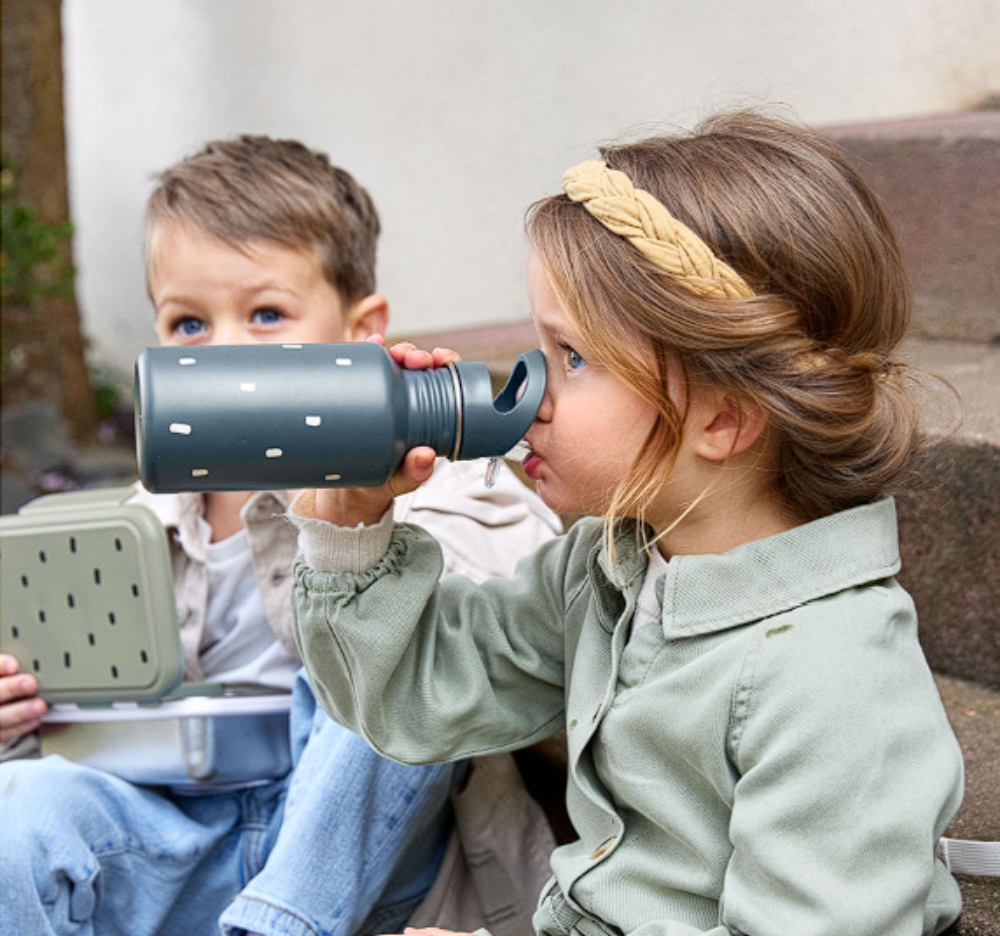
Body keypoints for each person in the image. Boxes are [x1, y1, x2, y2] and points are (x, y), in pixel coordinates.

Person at [286, 111, 965, 936]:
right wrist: (352, 525)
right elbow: (422, 696)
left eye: (572, 356)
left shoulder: (832, 681)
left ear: (721, 417)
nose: (530, 388)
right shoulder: (616, 568)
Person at [0, 136, 562, 936]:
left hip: (370, 857)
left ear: (361, 332)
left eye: (266, 315)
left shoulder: (426, 473)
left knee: (373, 651)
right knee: (21, 808)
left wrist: (364, 499)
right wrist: (16, 724)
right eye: (189, 324)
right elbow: (74, 728)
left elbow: (514, 612)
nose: (224, 350)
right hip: (184, 837)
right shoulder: (130, 528)